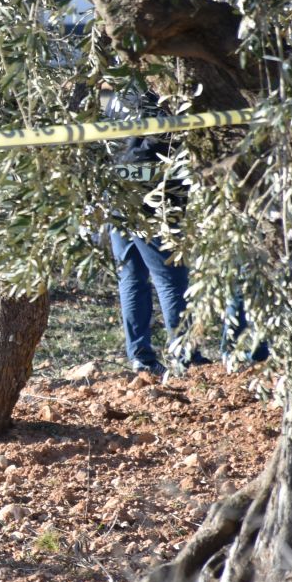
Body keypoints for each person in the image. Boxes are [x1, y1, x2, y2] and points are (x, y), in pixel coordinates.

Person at [104, 86, 204, 375]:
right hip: (154, 191)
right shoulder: (161, 89)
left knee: (132, 277)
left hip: (117, 188)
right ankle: (186, 357)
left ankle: (141, 359)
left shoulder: (115, 90)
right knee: (170, 277)